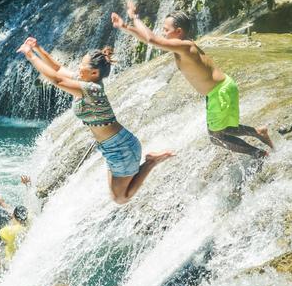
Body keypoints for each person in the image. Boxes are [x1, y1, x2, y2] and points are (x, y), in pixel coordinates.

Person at [17, 37, 175, 204]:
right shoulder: (84, 80)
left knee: (120, 198)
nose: (79, 67)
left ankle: (150, 162)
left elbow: (57, 80)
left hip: (120, 148)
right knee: (115, 193)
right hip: (112, 147)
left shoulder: (92, 89)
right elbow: (58, 69)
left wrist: (31, 56)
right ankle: (145, 163)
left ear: (94, 73)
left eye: (82, 65)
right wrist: (38, 48)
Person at [112, 0, 273, 158]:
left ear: (179, 31)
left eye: (165, 29)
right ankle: (258, 132)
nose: (162, 32)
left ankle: (259, 154)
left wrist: (134, 17)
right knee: (222, 130)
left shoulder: (185, 46)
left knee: (216, 136)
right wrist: (125, 27)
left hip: (220, 92)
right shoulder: (180, 44)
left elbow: (151, 39)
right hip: (217, 92)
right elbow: (150, 39)